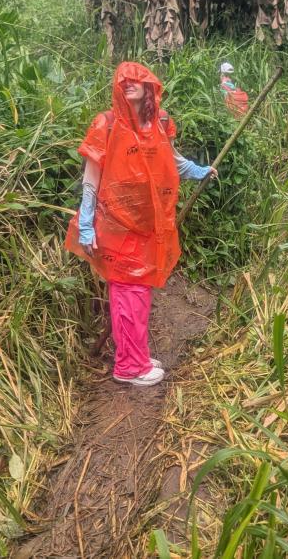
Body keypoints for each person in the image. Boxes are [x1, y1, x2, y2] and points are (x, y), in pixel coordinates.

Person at [66, 62, 216, 387]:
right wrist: (87, 223)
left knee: (138, 293)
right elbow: (91, 179)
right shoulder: (106, 124)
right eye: (124, 80)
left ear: (150, 86)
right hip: (114, 227)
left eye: (138, 79)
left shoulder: (157, 123)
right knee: (128, 294)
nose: (130, 84)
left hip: (146, 225)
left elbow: (169, 159)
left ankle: (136, 356)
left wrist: (195, 170)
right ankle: (129, 367)